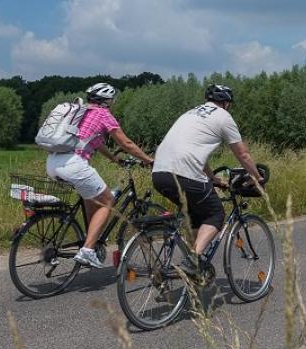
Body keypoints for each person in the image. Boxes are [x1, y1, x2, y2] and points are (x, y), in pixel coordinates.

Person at [151, 84, 264, 274]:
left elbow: (194, 152)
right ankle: (193, 260)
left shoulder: (190, 113)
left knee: (197, 213)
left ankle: (192, 264)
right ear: (226, 103)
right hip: (183, 173)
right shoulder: (223, 117)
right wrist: (256, 176)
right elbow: (243, 154)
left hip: (159, 173)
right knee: (215, 214)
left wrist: (213, 178)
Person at [46, 82, 153, 268]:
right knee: (108, 201)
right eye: (112, 99)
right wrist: (148, 160)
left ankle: (90, 240)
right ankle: (87, 251)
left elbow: (96, 142)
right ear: (108, 101)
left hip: (53, 162)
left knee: (91, 199)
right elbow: (126, 143)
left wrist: (113, 158)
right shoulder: (103, 114)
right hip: (73, 164)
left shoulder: (81, 113)